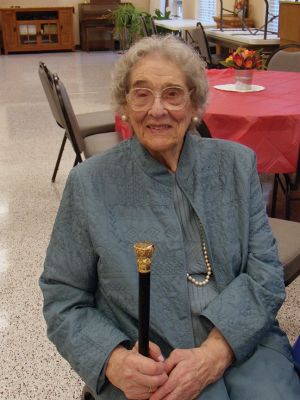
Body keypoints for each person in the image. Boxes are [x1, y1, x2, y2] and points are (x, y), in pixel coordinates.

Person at [39, 35, 300, 400]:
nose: (157, 109)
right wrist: (113, 361)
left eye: (173, 94)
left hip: (242, 342)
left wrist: (216, 352)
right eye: (141, 94)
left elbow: (267, 273)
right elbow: (63, 297)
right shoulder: (90, 184)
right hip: (149, 362)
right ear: (125, 105)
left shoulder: (236, 165)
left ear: (194, 102)